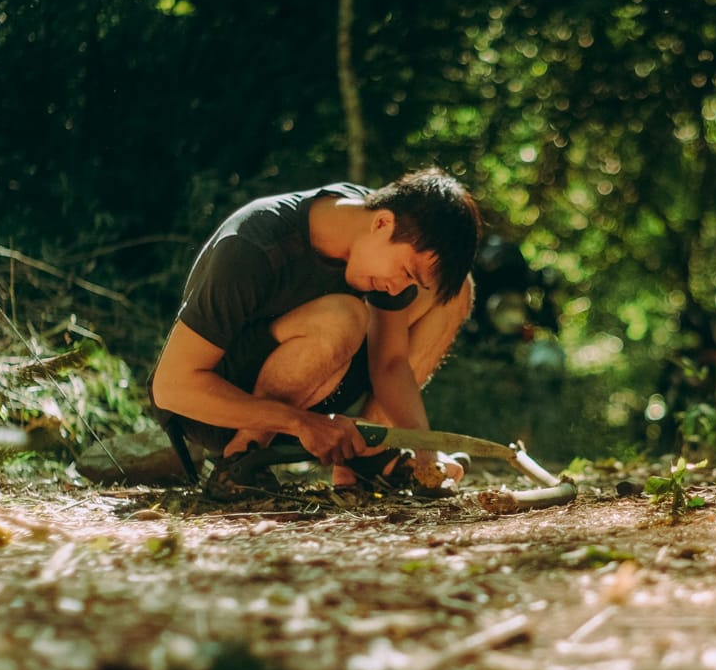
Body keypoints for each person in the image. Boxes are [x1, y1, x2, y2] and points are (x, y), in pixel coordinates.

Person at [149, 167, 481, 488]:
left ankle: (366, 459)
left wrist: (425, 451)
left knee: (455, 293)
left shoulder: (375, 224)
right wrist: (301, 423)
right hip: (213, 406)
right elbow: (171, 387)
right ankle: (243, 459)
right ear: (382, 223)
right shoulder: (252, 243)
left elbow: (391, 363)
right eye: (406, 272)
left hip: (316, 389)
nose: (398, 290)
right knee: (344, 316)